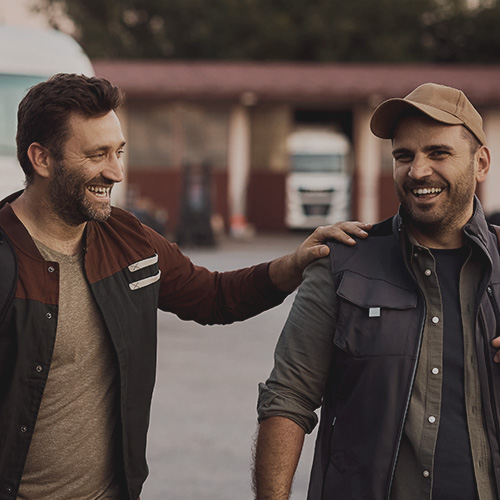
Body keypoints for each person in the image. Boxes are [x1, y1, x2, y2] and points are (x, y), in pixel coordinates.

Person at [0, 73, 367, 500]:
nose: (116, 171)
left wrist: (295, 263)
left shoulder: (129, 240)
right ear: (41, 159)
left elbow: (213, 297)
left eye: (119, 152)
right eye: (97, 155)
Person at [253, 82, 500, 500]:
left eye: (438, 153)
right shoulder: (342, 263)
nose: (418, 171)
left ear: (480, 162)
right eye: (404, 156)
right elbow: (287, 399)